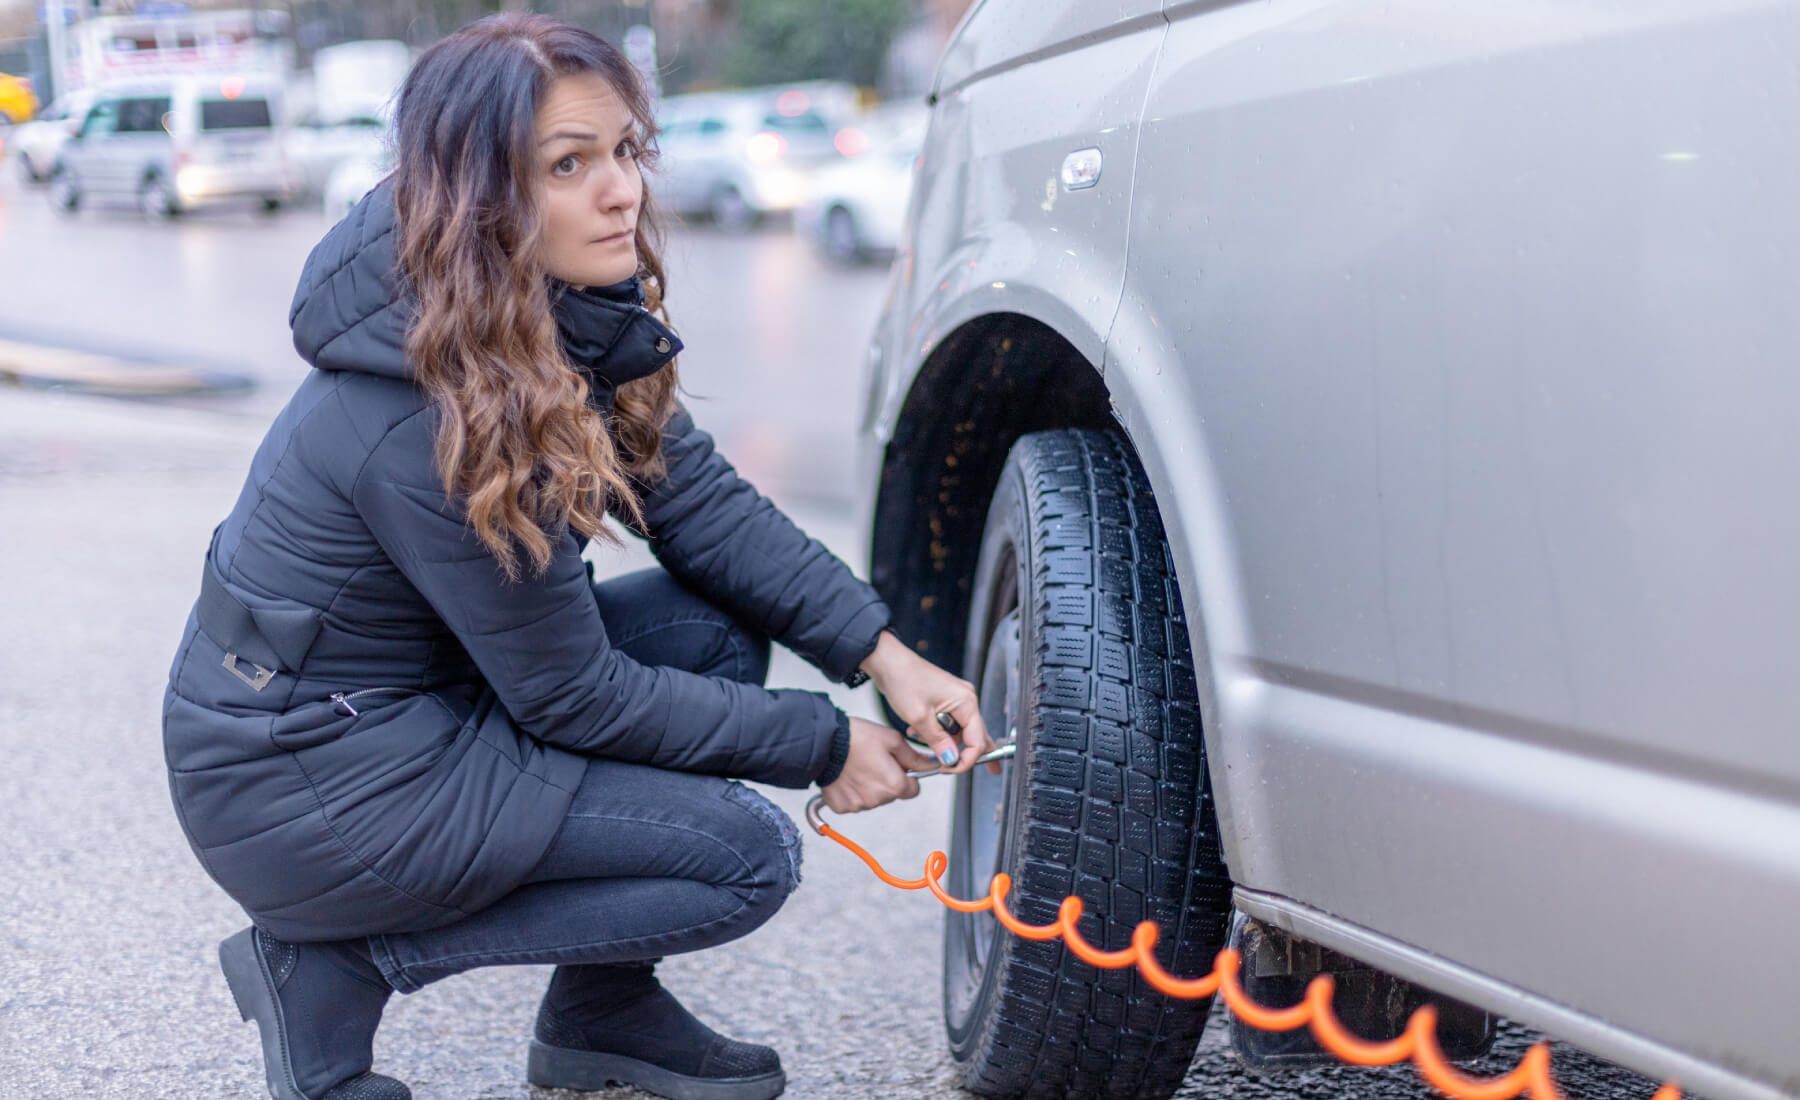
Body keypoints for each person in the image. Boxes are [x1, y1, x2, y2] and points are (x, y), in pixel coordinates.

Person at [160, 14, 993, 1100]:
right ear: (480, 197)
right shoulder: (421, 405)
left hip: (412, 708)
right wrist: (824, 741)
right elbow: (571, 695)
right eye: (569, 164)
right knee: (743, 855)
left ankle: (603, 1012)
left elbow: (694, 500)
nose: (621, 192)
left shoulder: (541, 311)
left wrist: (886, 655)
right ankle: (334, 960)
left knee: (710, 631)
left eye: (625, 152)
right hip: (306, 782)